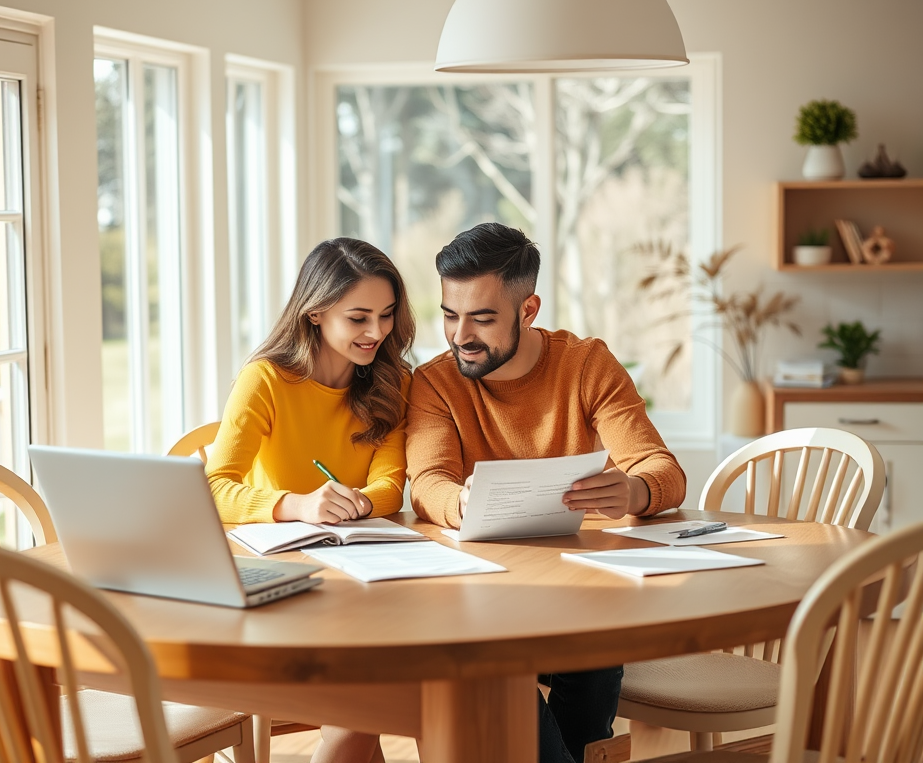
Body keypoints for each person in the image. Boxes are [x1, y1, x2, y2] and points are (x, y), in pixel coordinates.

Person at [406, 222, 686, 763]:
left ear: (528, 310)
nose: (460, 334)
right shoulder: (435, 382)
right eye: (449, 314)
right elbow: (429, 482)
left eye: (482, 318)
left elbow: (662, 470)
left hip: (573, 592)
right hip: (477, 598)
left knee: (596, 656)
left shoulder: (585, 365)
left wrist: (633, 491)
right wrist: (456, 504)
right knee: (499, 674)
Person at [206, 237, 415, 763]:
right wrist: (297, 504)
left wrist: (360, 503)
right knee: (381, 693)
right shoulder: (266, 381)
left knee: (385, 685)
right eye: (359, 318)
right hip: (276, 584)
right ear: (316, 314)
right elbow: (213, 487)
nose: (377, 333)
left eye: (387, 316)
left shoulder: (393, 383)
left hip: (359, 578)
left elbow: (390, 487)